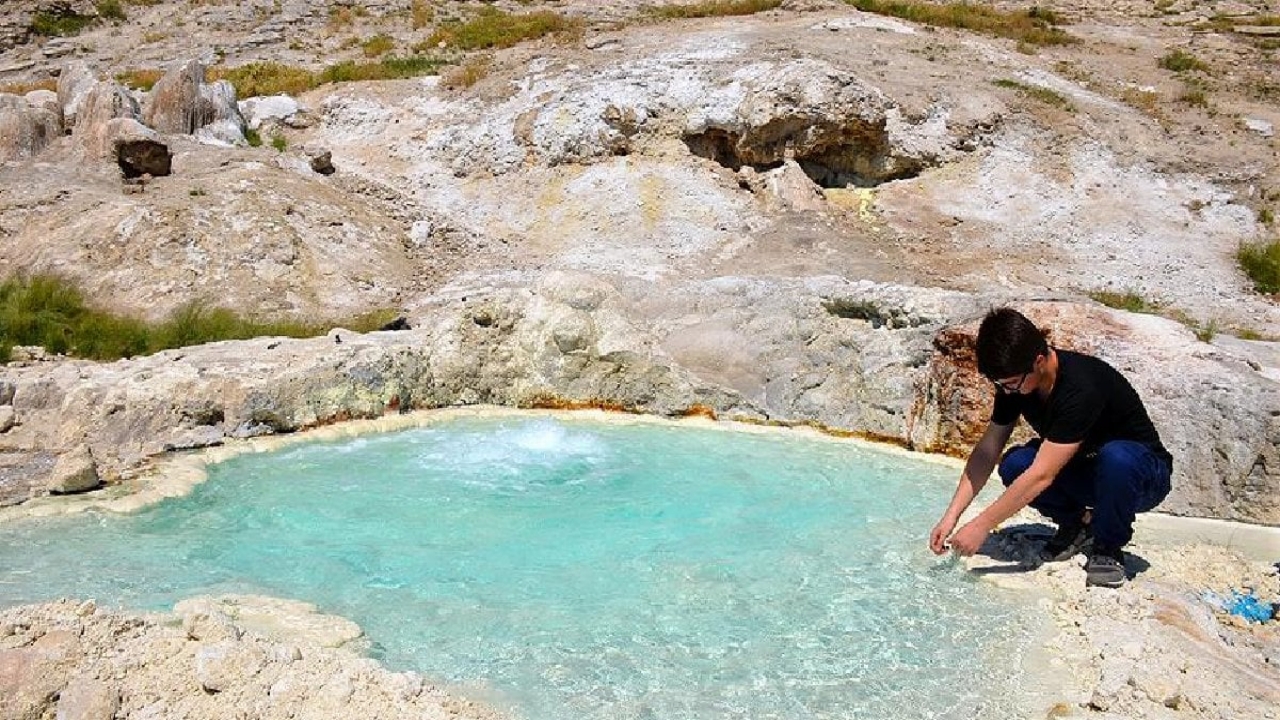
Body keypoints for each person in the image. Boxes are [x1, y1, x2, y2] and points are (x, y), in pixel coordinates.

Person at [927, 307, 1173, 587]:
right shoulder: (1015, 383)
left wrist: (981, 525)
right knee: (1015, 464)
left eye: (1010, 384)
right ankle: (1079, 524)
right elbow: (988, 450)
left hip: (1141, 477)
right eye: (1000, 385)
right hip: (1089, 469)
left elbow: (1043, 474)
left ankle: (1108, 547)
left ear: (1039, 361)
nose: (1006, 391)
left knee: (1116, 458)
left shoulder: (1081, 387)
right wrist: (951, 517)